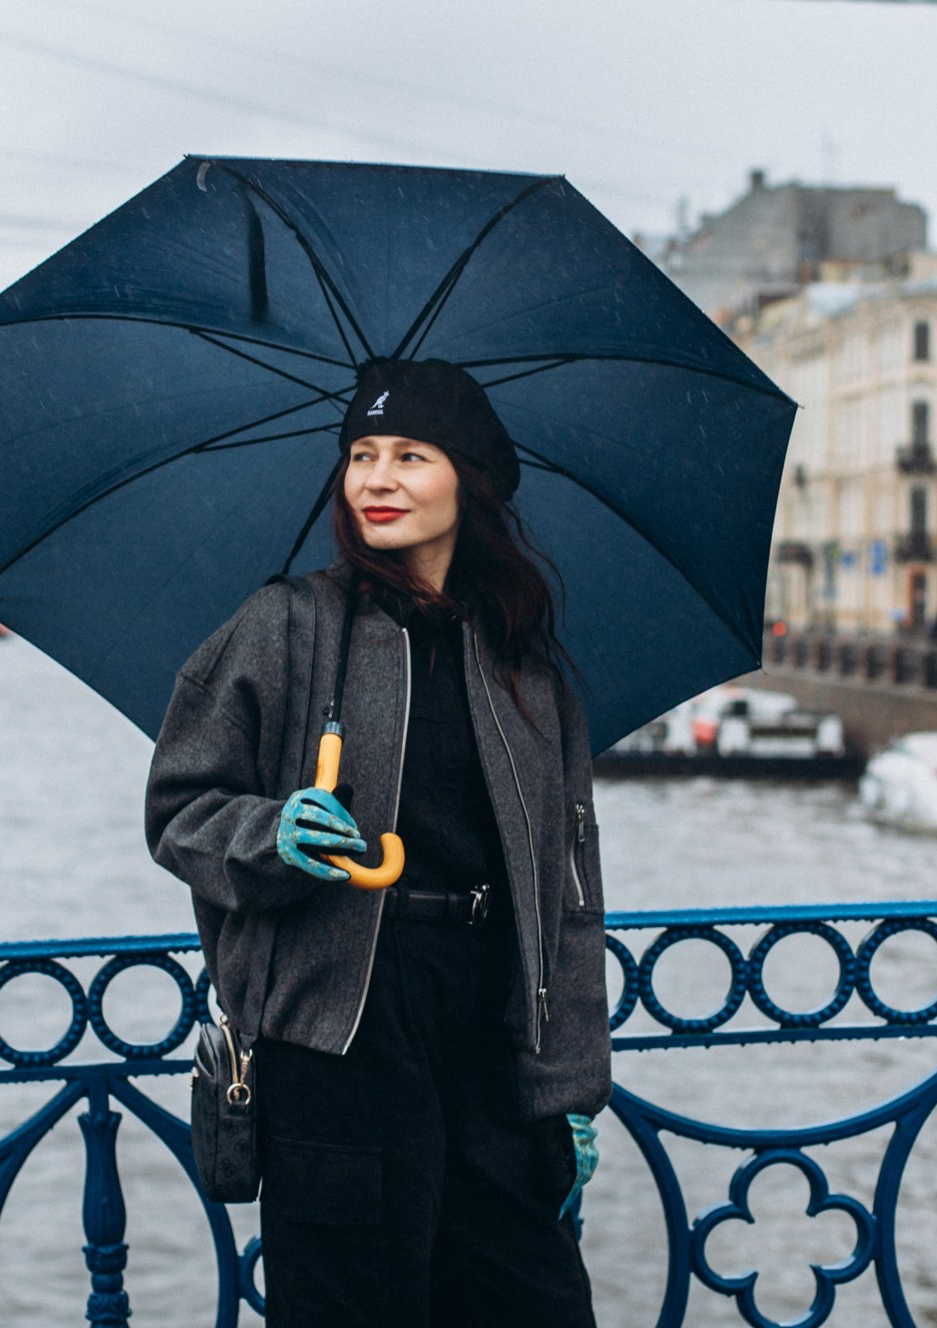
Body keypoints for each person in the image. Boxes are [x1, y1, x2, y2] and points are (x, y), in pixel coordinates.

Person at [146, 358, 609, 1328]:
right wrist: (271, 833)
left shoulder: (523, 656)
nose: (376, 479)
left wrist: (568, 1083)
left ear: (471, 480)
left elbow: (568, 892)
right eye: (360, 454)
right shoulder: (289, 624)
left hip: (489, 1029)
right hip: (339, 1038)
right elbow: (180, 807)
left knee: (534, 1303)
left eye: (409, 454)